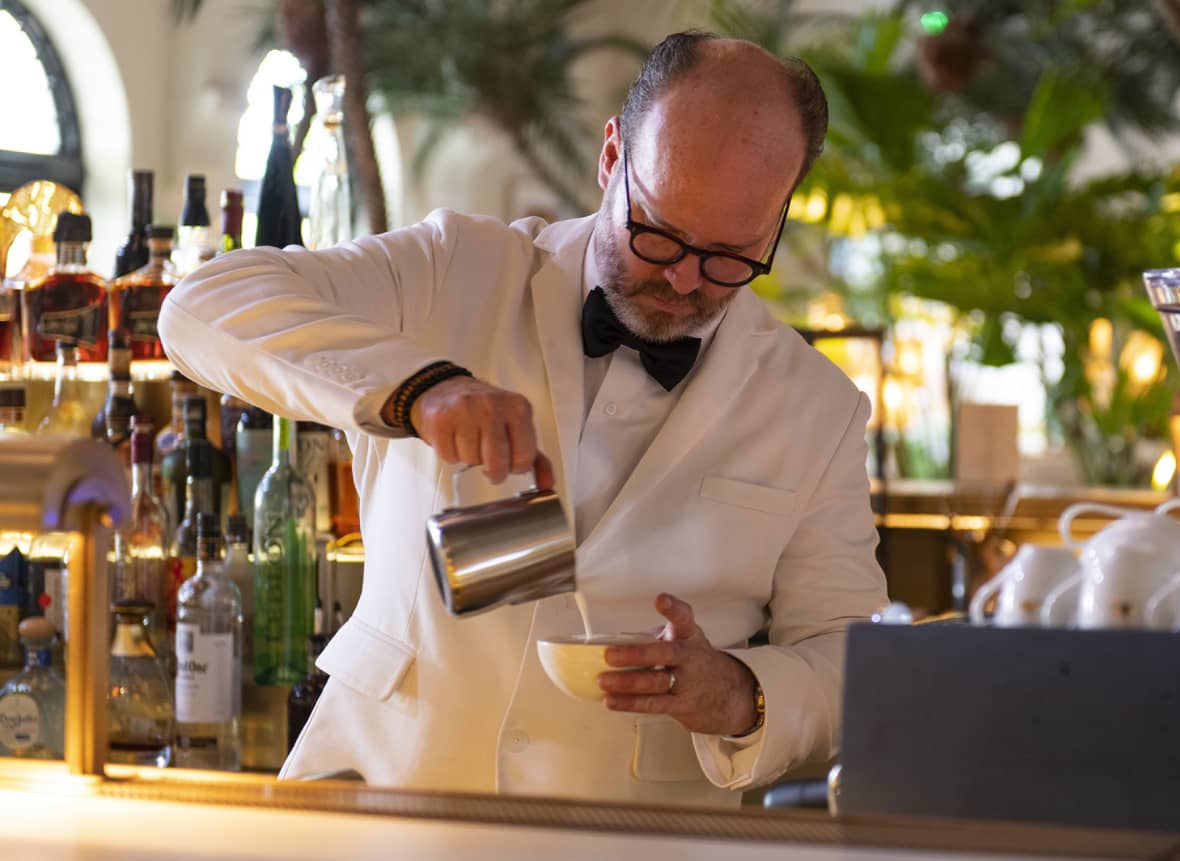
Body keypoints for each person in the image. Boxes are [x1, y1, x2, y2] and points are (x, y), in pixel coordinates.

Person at [160, 31, 887, 806]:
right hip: (383, 799)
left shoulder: (818, 410)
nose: (682, 279)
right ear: (612, 158)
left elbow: (849, 660)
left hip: (636, 839)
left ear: (779, 218)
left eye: (729, 256)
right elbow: (201, 306)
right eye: (659, 233)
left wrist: (742, 694)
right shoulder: (455, 271)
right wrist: (420, 388)